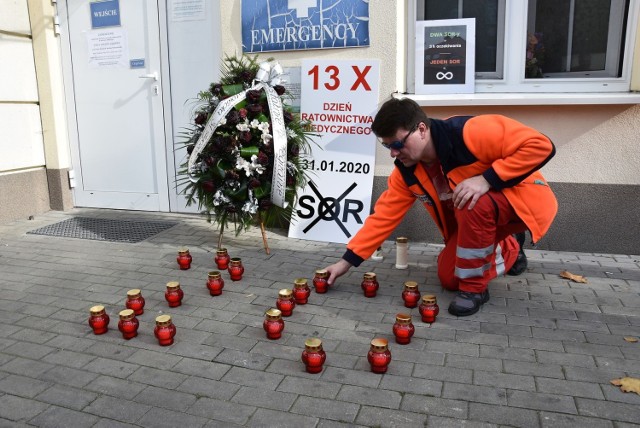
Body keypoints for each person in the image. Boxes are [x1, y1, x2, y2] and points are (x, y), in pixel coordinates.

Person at [324, 98, 557, 316]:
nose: (394, 153)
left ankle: (474, 290)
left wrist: (486, 180)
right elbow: (383, 217)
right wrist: (346, 262)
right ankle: (510, 247)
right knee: (448, 278)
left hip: (521, 203)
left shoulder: (470, 132)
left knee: (471, 199)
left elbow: (541, 145)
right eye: (388, 147)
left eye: (397, 144)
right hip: (478, 223)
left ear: (422, 129)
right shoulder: (407, 173)